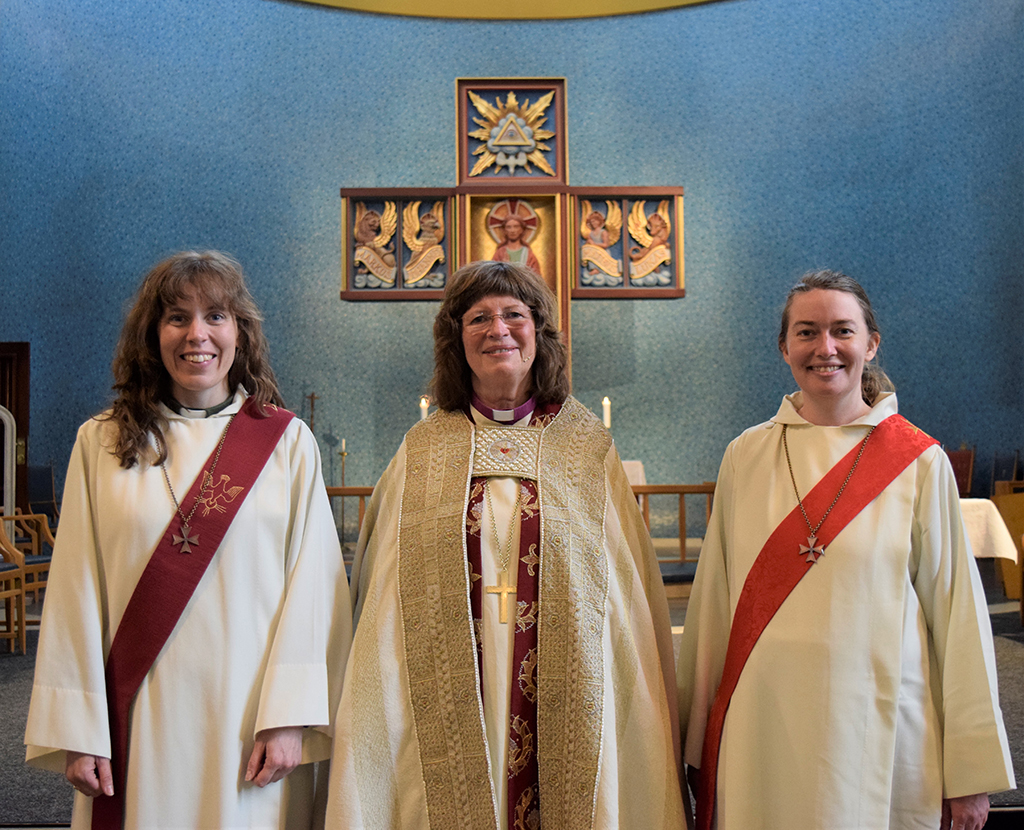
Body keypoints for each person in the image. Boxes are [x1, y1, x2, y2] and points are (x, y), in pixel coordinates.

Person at [325, 260, 685, 829]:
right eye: (479, 318)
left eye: (514, 314)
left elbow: (625, 594)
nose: (498, 329)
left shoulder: (585, 446)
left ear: (538, 332)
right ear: (457, 339)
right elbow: (384, 598)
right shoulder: (423, 450)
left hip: (567, 684)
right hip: (449, 683)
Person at [675, 270, 1014, 830]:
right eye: (807, 332)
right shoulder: (746, 455)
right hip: (761, 728)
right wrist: (694, 740)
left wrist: (970, 769)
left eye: (842, 331)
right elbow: (712, 605)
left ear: (871, 343)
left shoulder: (918, 461)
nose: (825, 348)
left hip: (878, 727)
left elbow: (958, 617)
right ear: (784, 347)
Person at [25, 251, 352, 830]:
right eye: (177, 317)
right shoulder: (100, 443)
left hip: (250, 718)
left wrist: (290, 716)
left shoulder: (286, 442)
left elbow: (314, 589)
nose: (196, 334)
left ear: (239, 332)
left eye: (215, 316)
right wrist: (78, 728)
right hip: (137, 713)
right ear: (153, 335)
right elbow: (75, 589)